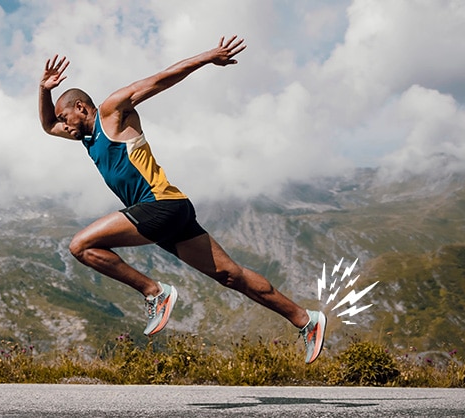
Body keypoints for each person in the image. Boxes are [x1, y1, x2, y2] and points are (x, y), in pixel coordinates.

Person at [38, 36, 326, 363]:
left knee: (81, 246)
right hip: (170, 212)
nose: (61, 125)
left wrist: (207, 57)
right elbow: (47, 124)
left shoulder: (110, 111)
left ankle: (154, 292)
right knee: (231, 275)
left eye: (65, 117)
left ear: (80, 108)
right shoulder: (86, 138)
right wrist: (45, 90)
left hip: (160, 205)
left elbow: (160, 79)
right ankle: (305, 319)